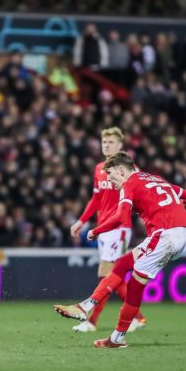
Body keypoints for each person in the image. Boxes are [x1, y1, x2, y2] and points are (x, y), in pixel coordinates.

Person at [55, 152, 186, 348]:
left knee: (131, 281)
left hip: (165, 235)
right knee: (125, 267)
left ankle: (96, 317)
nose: (110, 181)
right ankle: (103, 324)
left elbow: (122, 217)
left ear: (121, 170)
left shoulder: (130, 183)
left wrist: (96, 230)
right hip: (182, 235)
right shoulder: (155, 179)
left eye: (111, 175)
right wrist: (179, 203)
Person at [69, 127, 145, 333]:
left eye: (111, 142)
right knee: (112, 275)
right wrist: (81, 221)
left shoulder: (130, 169)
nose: (107, 146)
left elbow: (141, 193)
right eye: (104, 142)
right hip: (103, 227)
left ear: (120, 145)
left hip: (119, 227)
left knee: (105, 273)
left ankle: (92, 322)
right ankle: (137, 317)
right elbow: (96, 199)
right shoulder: (99, 169)